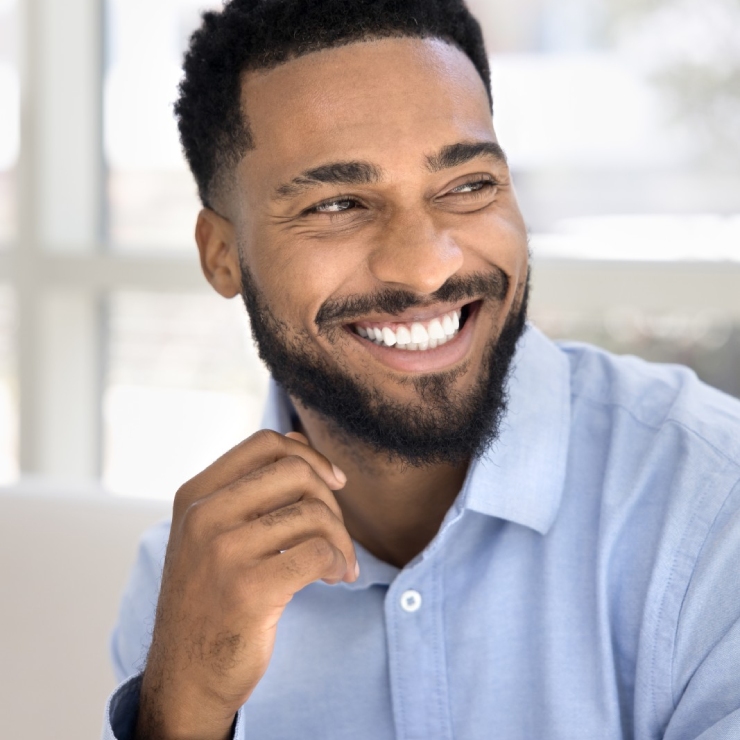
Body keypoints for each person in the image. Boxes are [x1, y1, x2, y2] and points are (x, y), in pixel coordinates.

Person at [102, 1, 740, 738]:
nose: (424, 267)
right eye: (338, 203)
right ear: (221, 254)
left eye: (468, 186)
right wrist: (180, 716)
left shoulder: (714, 513)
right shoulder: (187, 584)